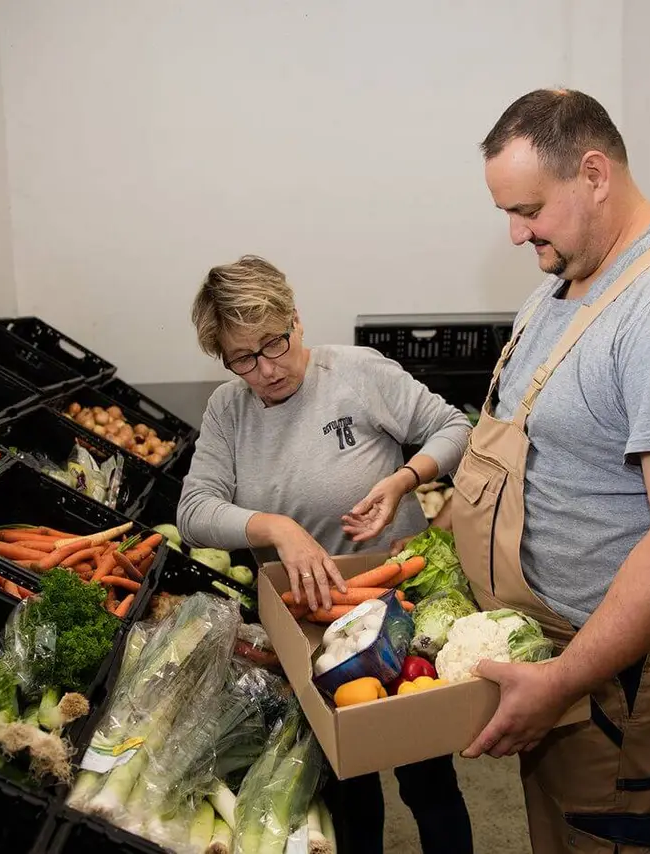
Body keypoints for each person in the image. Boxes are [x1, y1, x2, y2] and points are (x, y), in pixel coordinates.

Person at [433, 89, 650, 853]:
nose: (517, 233)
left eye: (528, 210)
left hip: (616, 687)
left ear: (593, 174)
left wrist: (564, 680)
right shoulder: (563, 281)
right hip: (559, 664)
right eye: (506, 214)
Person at [177, 255, 476, 854]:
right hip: (310, 628)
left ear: (296, 319)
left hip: (397, 611)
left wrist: (405, 480)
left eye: (274, 343)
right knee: (345, 784)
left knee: (426, 778)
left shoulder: (357, 373)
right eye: (243, 358)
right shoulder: (227, 411)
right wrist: (275, 528)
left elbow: (455, 428)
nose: (266, 369)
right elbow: (193, 511)